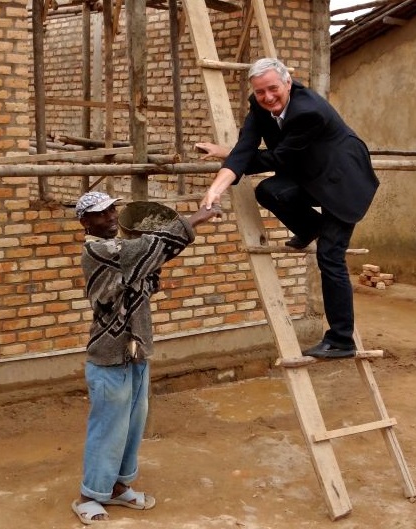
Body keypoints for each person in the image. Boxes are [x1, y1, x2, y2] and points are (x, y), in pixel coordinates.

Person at [196, 57, 379, 360]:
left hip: (344, 180)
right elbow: (246, 149)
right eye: (260, 92)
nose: (268, 98)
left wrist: (231, 159)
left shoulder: (309, 112)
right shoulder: (260, 108)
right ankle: (309, 227)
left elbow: (276, 159)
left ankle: (341, 339)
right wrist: (216, 188)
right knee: (269, 190)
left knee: (330, 255)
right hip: (311, 171)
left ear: (288, 84)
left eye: (273, 89)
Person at [71, 191, 218, 524]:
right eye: (100, 214)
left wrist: (177, 231)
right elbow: (143, 250)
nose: (109, 218)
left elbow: (155, 255)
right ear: (85, 222)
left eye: (112, 211)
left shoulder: (124, 255)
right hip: (108, 354)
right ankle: (89, 496)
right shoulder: (99, 251)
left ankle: (119, 487)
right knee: (108, 427)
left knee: (131, 425)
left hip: (134, 349)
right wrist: (194, 218)